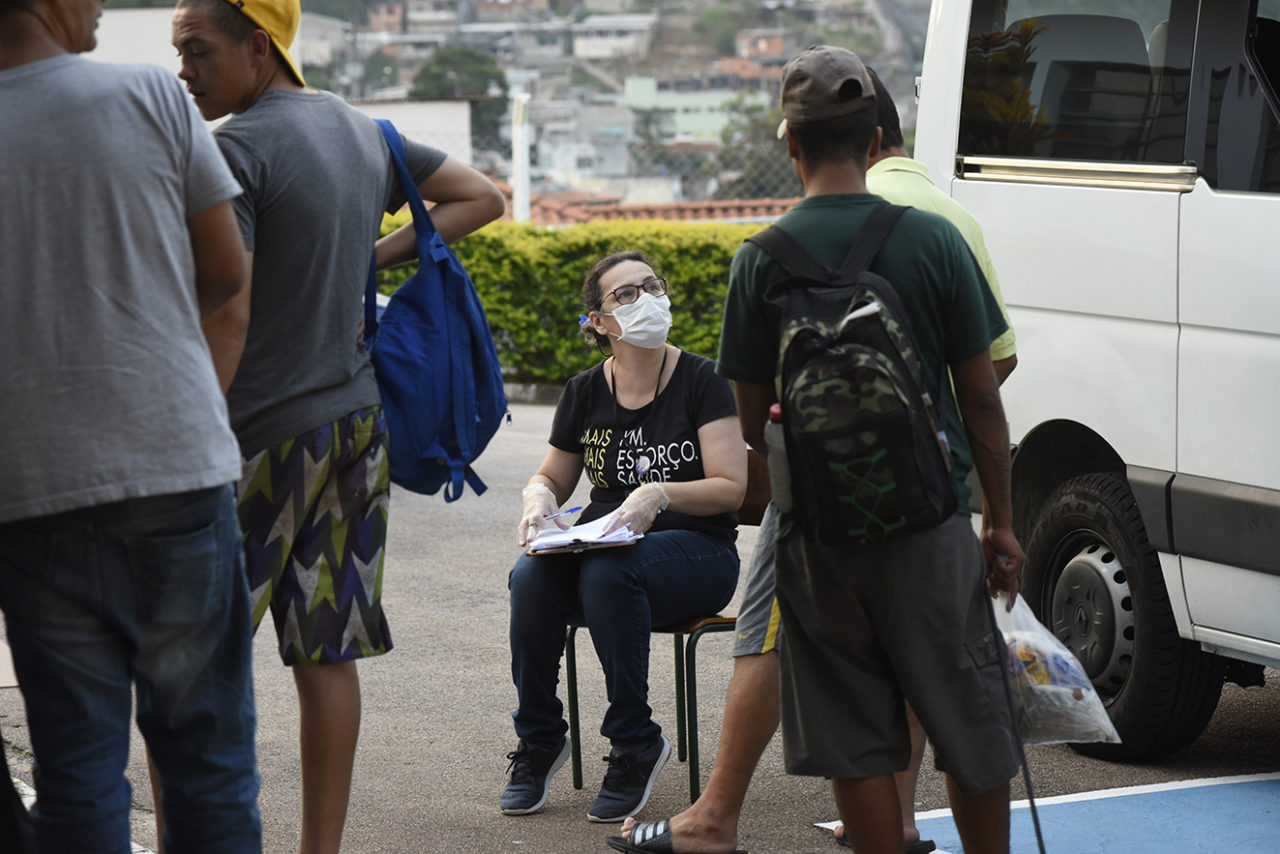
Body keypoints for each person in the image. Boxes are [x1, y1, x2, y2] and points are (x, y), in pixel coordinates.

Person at [616, 46, 1022, 854]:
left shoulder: (757, 261)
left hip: (820, 545)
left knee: (856, 743)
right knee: (972, 729)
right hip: (931, 523)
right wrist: (999, 524)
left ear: (791, 146)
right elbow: (982, 396)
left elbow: (749, 419)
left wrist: (777, 510)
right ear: (876, 140)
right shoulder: (933, 241)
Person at [166, 1, 505, 852]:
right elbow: (481, 197)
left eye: (198, 51)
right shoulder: (365, 134)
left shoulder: (235, 151)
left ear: (258, 46)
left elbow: (224, 312)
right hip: (354, 429)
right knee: (327, 656)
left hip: (253, 441)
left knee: (193, 672)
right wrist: (371, 256)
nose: (185, 72)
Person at [0, 1, 261, 851]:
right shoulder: (151, 95)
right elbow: (226, 274)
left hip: (30, 487)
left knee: (76, 775)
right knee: (209, 767)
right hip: (174, 467)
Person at [502, 251, 747, 824]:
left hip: (698, 552)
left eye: (652, 285)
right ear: (599, 322)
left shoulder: (702, 379)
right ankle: (540, 739)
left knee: (611, 571)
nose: (648, 299)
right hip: (606, 548)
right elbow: (554, 476)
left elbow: (732, 487)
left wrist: (660, 493)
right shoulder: (585, 391)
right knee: (531, 575)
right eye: (627, 294)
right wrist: (537, 497)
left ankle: (635, 743)